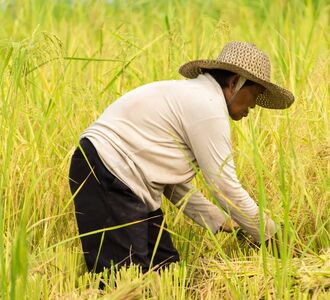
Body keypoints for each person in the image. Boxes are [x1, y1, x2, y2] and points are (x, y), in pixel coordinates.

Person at [68, 41, 295, 274]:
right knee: (127, 277)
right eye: (255, 94)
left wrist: (222, 221)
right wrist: (272, 236)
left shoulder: (193, 97)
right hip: (106, 171)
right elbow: (225, 187)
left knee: (167, 270)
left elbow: (172, 185)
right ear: (235, 82)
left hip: (123, 176)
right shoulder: (208, 107)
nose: (255, 106)